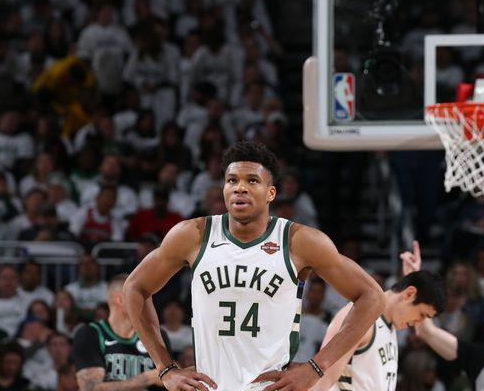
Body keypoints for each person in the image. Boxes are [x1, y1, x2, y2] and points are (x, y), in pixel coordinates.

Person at [124, 141, 385, 390]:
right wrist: (165, 368)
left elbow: (372, 296)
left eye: (252, 181)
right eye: (232, 180)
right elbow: (134, 287)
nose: (240, 188)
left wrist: (317, 367)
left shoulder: (299, 241)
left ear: (271, 193)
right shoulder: (193, 235)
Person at [312, 242, 447, 391]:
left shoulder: (390, 323)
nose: (417, 323)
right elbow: (321, 379)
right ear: (409, 294)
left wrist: (414, 276)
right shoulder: (362, 315)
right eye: (421, 315)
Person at [72, 275, 165, 390]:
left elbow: (172, 376)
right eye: (142, 296)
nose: (148, 303)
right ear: (120, 300)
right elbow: (90, 388)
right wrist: (145, 379)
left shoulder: (156, 334)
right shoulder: (90, 334)